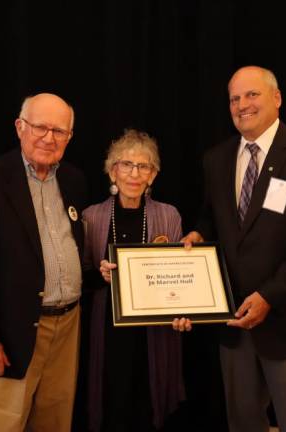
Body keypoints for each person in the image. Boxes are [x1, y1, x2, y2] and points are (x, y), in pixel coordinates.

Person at [177, 66, 286, 432]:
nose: (242, 105)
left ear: (277, 98)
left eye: (252, 95)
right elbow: (212, 220)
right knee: (242, 422)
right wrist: (196, 236)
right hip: (234, 322)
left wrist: (269, 296)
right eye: (234, 99)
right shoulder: (216, 159)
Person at [0, 93, 87, 432]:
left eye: (59, 131)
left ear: (69, 137)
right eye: (40, 127)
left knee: (54, 423)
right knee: (2, 423)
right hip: (11, 334)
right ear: (19, 127)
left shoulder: (74, 180)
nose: (49, 137)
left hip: (67, 327)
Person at [82, 129, 185, 431]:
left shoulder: (169, 216)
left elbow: (180, 277)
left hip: (153, 331)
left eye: (144, 166)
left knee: (148, 402)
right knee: (112, 403)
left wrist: (184, 310)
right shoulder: (91, 216)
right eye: (126, 164)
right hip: (107, 330)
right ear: (113, 171)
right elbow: (83, 275)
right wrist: (99, 275)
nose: (134, 173)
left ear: (152, 176)